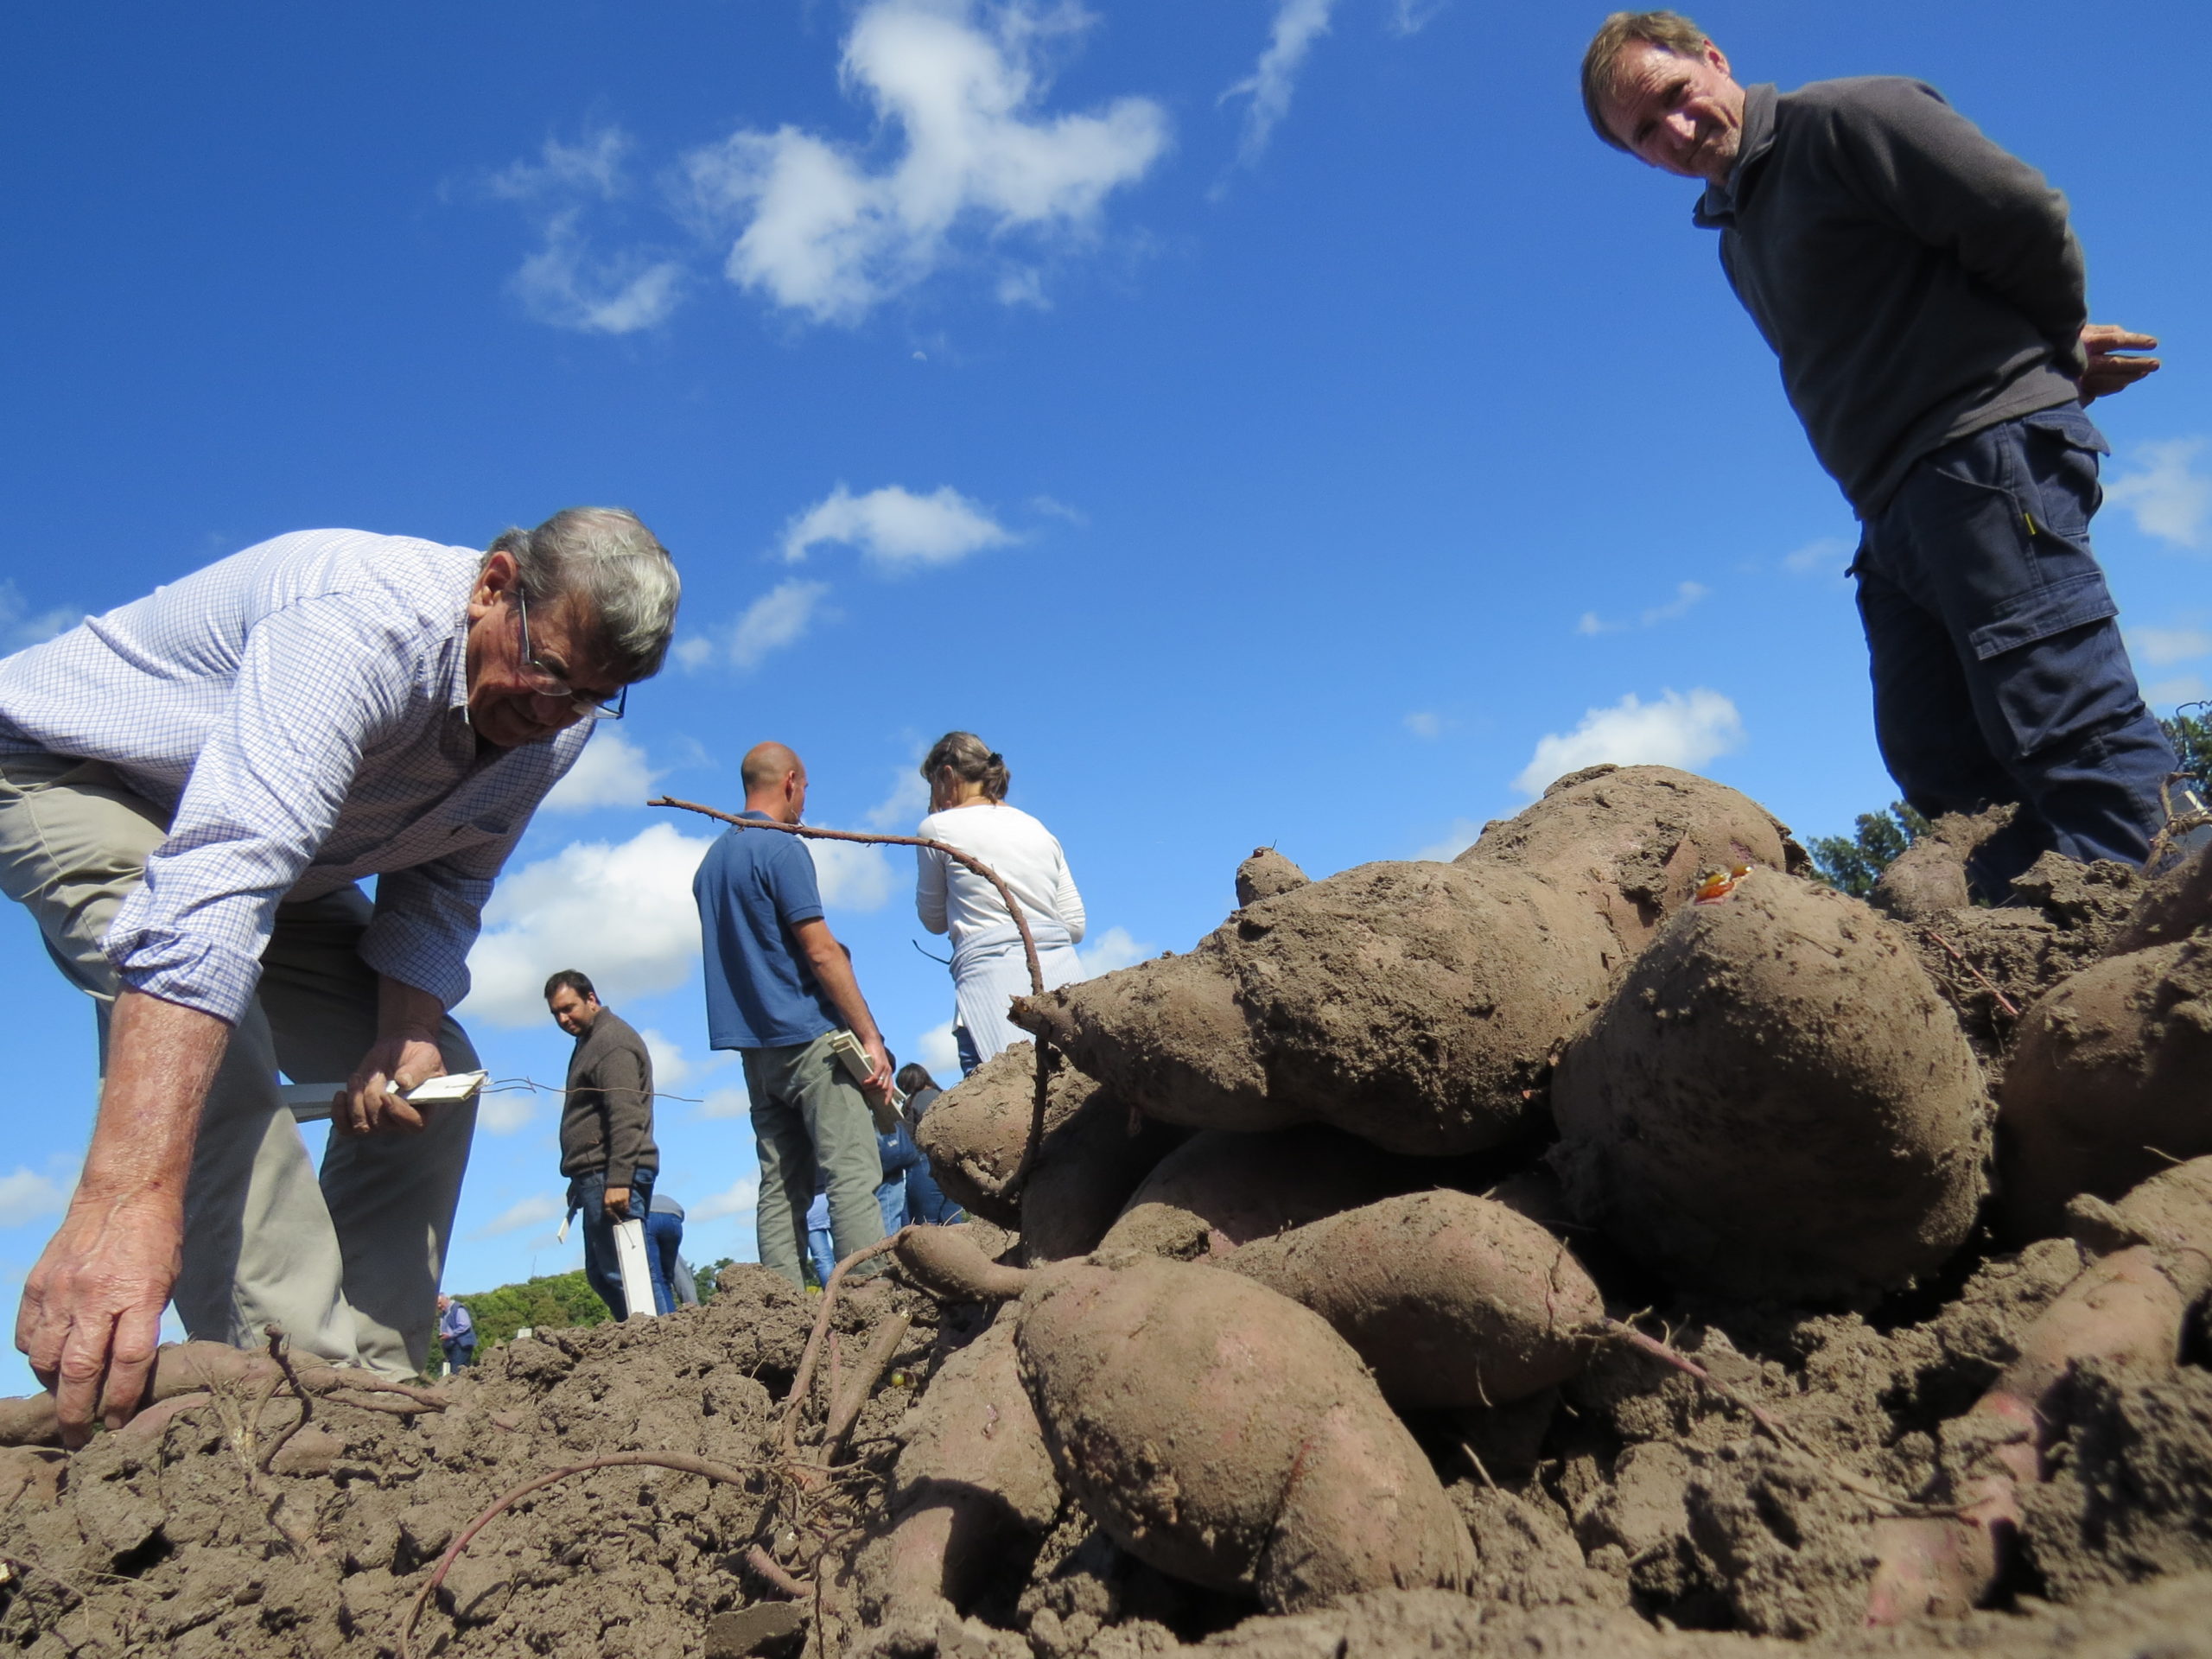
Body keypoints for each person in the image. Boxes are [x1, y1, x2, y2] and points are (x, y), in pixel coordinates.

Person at [0, 507, 678, 1441]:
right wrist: (125, 1199)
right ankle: (293, 1396)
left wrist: (401, 1030)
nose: (559, 714)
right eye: (553, 673)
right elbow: (216, 886)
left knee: (434, 1072)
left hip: (281, 852)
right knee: (218, 1045)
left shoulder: (554, 723)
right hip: (81, 773)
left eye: (595, 697)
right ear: (492, 587)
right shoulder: (357, 627)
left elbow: (443, 881)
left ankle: (378, 1393)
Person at [1581, 13, 2177, 899]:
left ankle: (2178, 953)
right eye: (1644, 135)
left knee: (2065, 723)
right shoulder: (1738, 238)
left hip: (1980, 456)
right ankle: (2046, 962)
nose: (1673, 130)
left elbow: (2018, 216)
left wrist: (2047, 355)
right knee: (1941, 764)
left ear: (1713, 60)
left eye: (1673, 96)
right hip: (1890, 512)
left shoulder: (1845, 120)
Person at [693, 742, 896, 1292]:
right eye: (805, 787)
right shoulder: (780, 847)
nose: (805, 799)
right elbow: (821, 950)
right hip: (811, 1040)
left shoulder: (710, 863)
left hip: (755, 1053)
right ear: (789, 782)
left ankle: (779, 1312)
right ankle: (868, 1301)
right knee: (852, 1172)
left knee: (780, 1185)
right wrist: (870, 1037)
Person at [913, 734, 1087, 1070]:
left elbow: (933, 921)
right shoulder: (1038, 828)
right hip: (1066, 985)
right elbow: (1075, 925)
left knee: (1005, 1100)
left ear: (947, 776)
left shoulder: (937, 827)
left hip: (989, 993)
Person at [546, 969, 661, 1319]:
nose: (564, 1019)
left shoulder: (611, 1042)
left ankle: (662, 1352)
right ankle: (642, 1348)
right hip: (595, 1174)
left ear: (592, 999)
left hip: (612, 1173)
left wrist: (619, 1179)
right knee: (603, 1275)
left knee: (628, 1273)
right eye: (556, 1014)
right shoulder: (590, 1042)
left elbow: (626, 1115)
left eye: (569, 1008)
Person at [895, 1062, 963, 1224]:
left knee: (925, 1226)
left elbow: (905, 1138)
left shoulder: (915, 1101)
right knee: (954, 1223)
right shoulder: (945, 1096)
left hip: (925, 1166)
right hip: (955, 1165)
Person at [645, 1192, 690, 1312]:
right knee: (666, 1278)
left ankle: (666, 1324)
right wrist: (693, 1307)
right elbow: (681, 1271)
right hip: (675, 1219)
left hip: (649, 1217)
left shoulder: (636, 1201)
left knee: (655, 1278)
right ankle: (673, 1317)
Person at [436, 1294, 477, 1372]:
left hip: (461, 1345)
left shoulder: (458, 1308)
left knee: (458, 1371)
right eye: (437, 1305)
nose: (439, 1306)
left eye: (440, 1303)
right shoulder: (444, 1313)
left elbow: (465, 1325)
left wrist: (450, 1335)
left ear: (446, 1299)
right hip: (451, 1345)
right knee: (453, 1371)